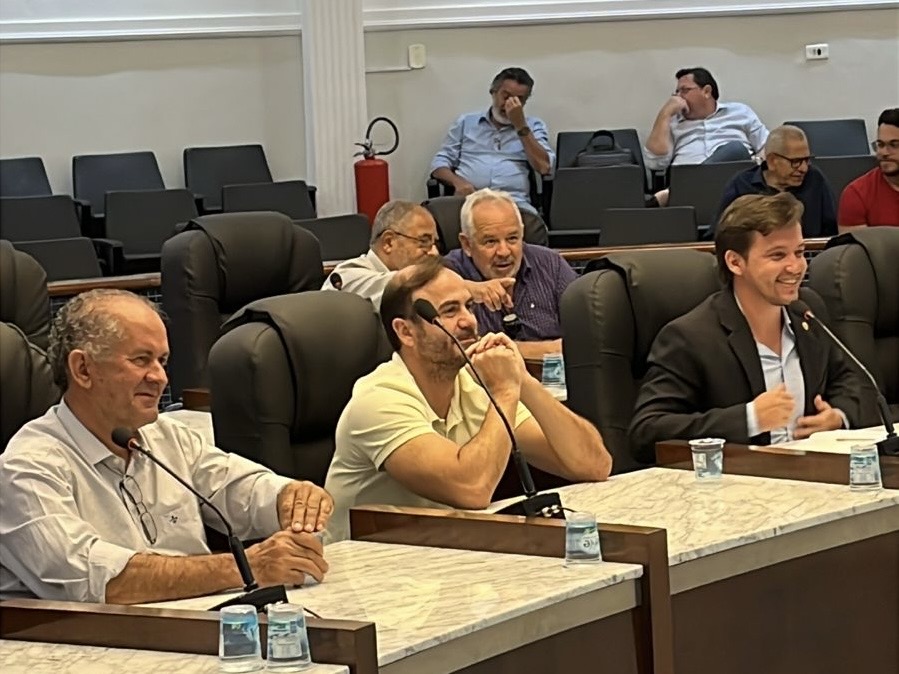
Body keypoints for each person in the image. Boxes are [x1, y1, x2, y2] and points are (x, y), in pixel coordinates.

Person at [0, 289, 333, 604]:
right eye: (141, 360)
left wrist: (290, 499)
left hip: (194, 623)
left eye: (162, 361)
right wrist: (246, 567)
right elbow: (95, 581)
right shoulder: (27, 466)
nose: (160, 377)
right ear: (83, 369)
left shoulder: (166, 436)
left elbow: (241, 489)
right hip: (87, 640)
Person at [323, 256, 612, 542]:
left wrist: (522, 380)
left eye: (469, 306)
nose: (469, 321)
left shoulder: (473, 384)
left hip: (441, 551)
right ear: (405, 332)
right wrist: (505, 391)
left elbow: (593, 465)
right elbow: (472, 489)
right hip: (366, 562)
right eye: (449, 311)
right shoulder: (378, 399)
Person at [629, 193, 864, 464]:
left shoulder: (807, 312)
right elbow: (647, 433)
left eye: (799, 252)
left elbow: (854, 380)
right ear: (735, 262)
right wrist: (750, 419)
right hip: (737, 481)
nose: (796, 267)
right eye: (777, 255)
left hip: (814, 473)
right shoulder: (690, 337)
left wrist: (838, 416)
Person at [444, 189, 577, 360]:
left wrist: (500, 349)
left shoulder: (551, 264)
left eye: (512, 238)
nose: (504, 251)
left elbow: (585, 334)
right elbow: (454, 351)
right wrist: (467, 288)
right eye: (490, 241)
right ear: (467, 244)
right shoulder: (448, 271)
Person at [430, 67, 554, 240]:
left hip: (513, 202)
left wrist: (520, 126)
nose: (509, 104)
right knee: (435, 228)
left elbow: (544, 167)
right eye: (506, 96)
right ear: (493, 92)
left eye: (518, 99)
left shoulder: (532, 126)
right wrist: (458, 182)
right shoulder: (466, 122)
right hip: (469, 200)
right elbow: (439, 164)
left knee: (533, 231)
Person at [645, 67, 768, 207]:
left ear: (707, 91)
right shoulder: (673, 122)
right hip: (691, 195)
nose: (678, 98)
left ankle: (673, 193)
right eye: (676, 92)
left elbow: (767, 146)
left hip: (737, 185)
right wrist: (665, 113)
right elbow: (655, 163)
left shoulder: (740, 112)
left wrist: (756, 162)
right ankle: (687, 187)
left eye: (684, 90)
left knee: (736, 149)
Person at [713, 125, 837, 237]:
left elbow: (833, 230)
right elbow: (720, 234)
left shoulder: (815, 179)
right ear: (772, 161)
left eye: (807, 160)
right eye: (796, 162)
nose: (804, 168)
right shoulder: (741, 184)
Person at [322, 200, 439, 308]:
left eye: (435, 243)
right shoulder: (347, 277)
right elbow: (402, 284)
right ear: (389, 242)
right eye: (424, 241)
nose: (435, 252)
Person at [838, 108, 899, 230]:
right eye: (880, 145)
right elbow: (856, 242)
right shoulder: (856, 194)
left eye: (894, 145)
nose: (883, 152)